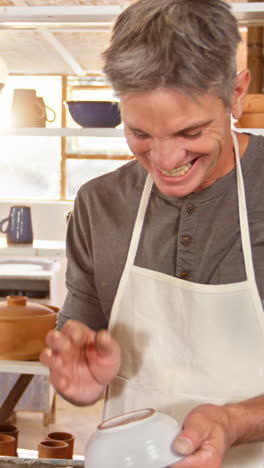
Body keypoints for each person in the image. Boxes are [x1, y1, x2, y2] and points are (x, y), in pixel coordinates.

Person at [40, 0, 264, 466]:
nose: (164, 161)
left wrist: (235, 422)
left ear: (237, 94)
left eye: (191, 131)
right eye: (140, 133)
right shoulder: (100, 204)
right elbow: (81, 347)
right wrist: (79, 383)